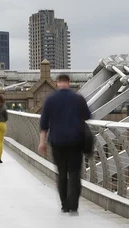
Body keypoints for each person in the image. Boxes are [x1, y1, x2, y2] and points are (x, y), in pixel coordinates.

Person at [38, 74, 91, 214]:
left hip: (57, 141)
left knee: (61, 173)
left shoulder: (50, 99)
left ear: (57, 83)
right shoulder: (78, 98)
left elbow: (44, 124)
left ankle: (64, 205)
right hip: (75, 141)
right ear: (69, 82)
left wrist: (42, 142)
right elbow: (87, 115)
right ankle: (73, 205)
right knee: (74, 172)